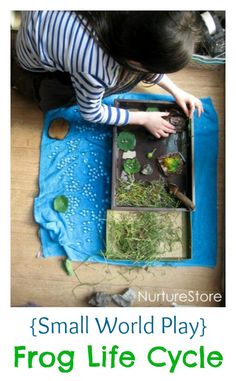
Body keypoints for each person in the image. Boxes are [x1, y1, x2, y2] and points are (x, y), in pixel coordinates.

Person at [13, 11, 203, 138]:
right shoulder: (95, 65)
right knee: (56, 94)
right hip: (31, 63)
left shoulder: (133, 19)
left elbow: (144, 59)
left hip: (41, 19)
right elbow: (91, 112)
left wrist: (176, 91)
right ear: (135, 62)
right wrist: (143, 118)